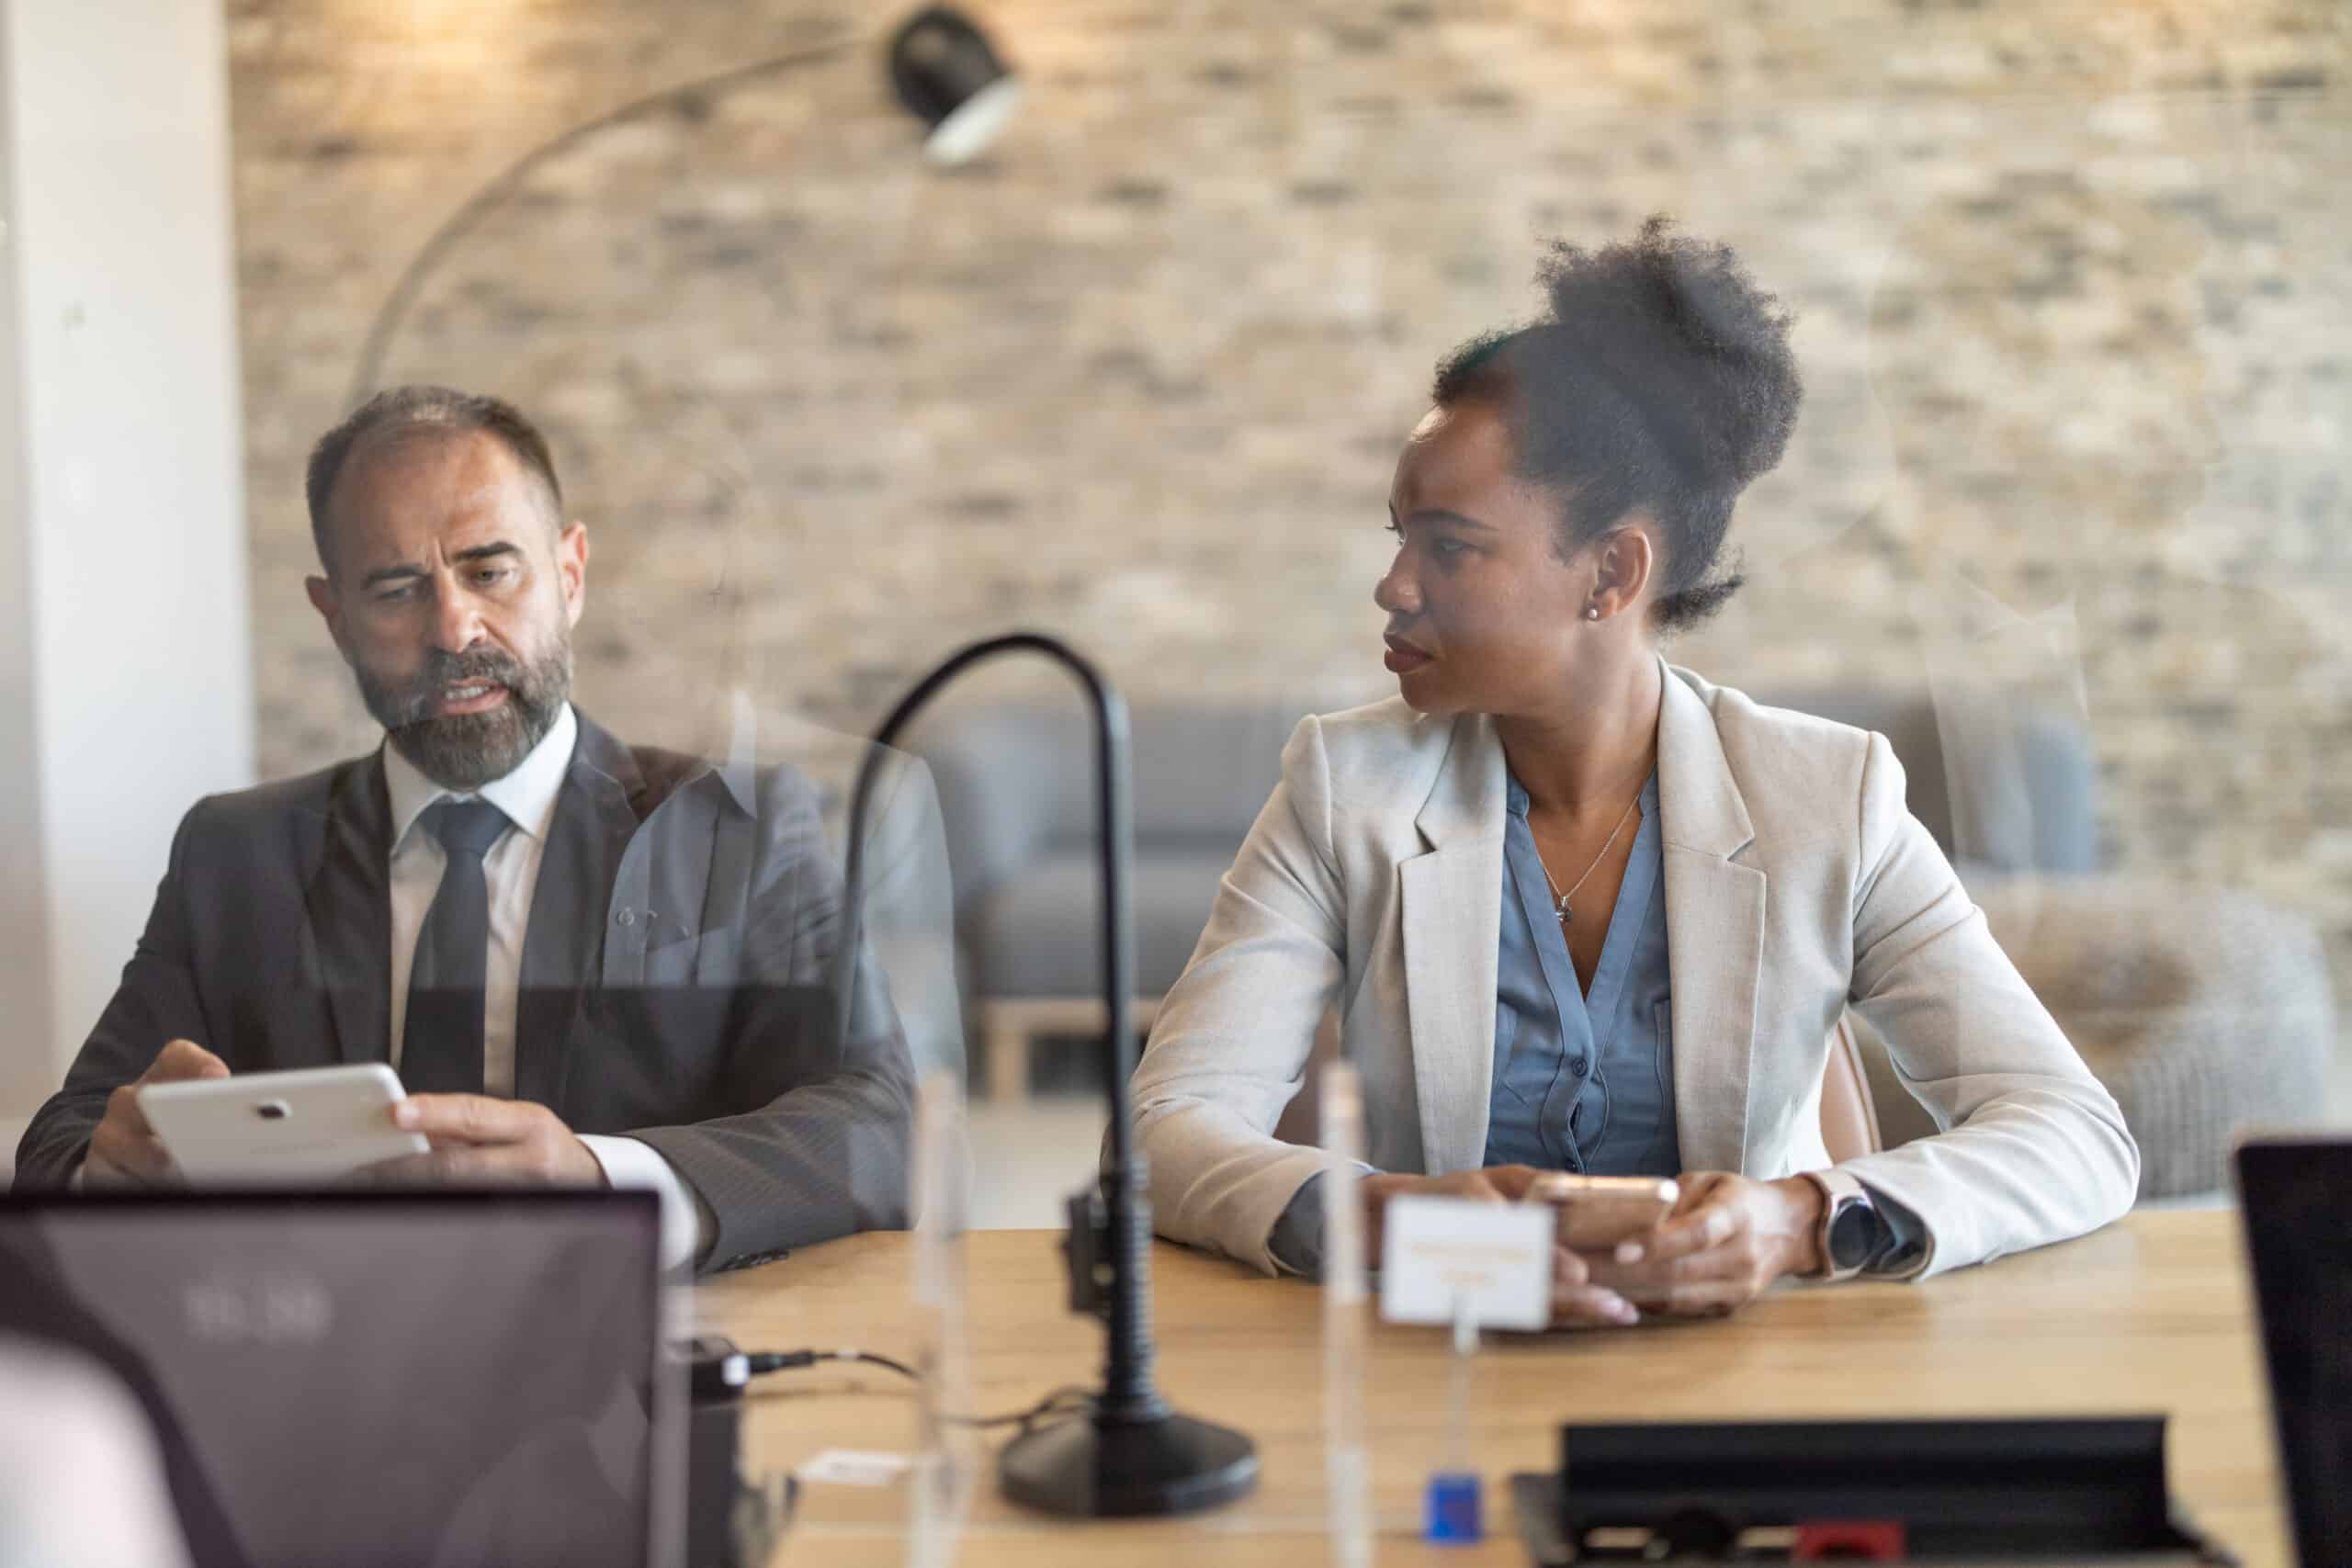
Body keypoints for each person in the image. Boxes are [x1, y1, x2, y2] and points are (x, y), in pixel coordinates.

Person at [1129, 219, 2140, 1326]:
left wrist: (1798, 1222)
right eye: (1398, 537)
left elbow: (2071, 1132)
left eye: (1449, 547)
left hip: (1752, 1373)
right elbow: (1166, 1125)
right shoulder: (1344, 786)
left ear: (1610, 572)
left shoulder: (1828, 798)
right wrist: (1395, 1220)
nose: (1394, 587)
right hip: (1443, 1363)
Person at [13, 386, 914, 1271]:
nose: (453, 627)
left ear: (568, 573)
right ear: (334, 618)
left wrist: (605, 1180)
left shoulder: (742, 828)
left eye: (489, 570)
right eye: (397, 588)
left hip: (640, 1361)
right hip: (320, 1360)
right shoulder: (234, 853)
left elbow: (880, 1126)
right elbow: (69, 1130)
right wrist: (111, 1166)